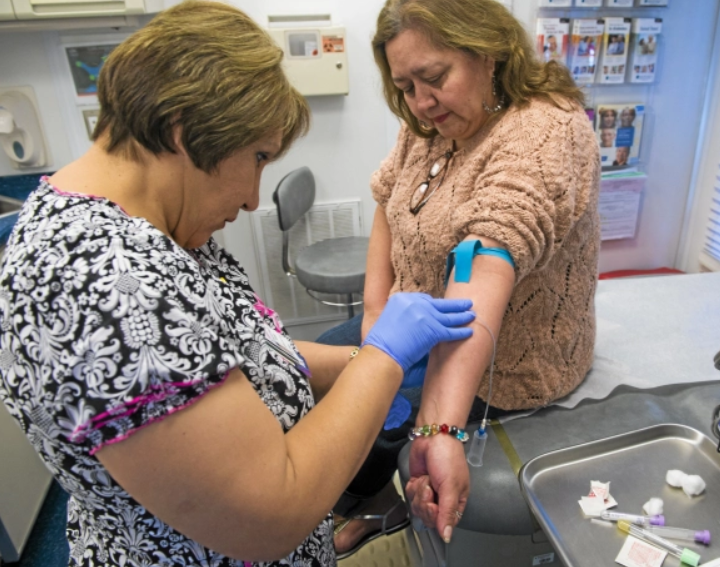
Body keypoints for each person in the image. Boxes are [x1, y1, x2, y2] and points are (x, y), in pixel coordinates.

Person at [0, 2, 478, 566]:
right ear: (183, 129)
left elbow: (233, 351)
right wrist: (381, 359)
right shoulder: (106, 286)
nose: (254, 197)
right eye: (256, 157)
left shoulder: (140, 223)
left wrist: (355, 366)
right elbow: (271, 514)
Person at [319, 0, 600, 556]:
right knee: (321, 378)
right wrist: (376, 318)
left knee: (372, 411)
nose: (421, 102)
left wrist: (438, 430)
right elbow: (386, 202)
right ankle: (372, 498)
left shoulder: (545, 129)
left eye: (434, 77)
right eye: (404, 86)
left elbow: (488, 253)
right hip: (413, 320)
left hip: (508, 359)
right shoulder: (427, 123)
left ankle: (374, 497)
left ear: (489, 52)